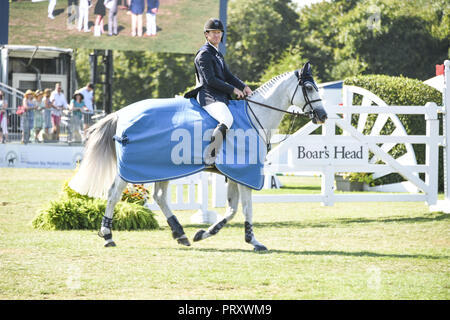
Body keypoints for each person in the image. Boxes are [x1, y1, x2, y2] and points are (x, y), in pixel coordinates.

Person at [184, 18, 253, 165]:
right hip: (208, 95)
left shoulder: (217, 54)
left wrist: (243, 86)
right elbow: (211, 80)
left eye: (219, 32)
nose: (216, 35)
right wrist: (233, 89)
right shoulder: (204, 54)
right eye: (213, 32)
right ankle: (211, 155)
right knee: (227, 119)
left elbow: (228, 76)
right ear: (206, 35)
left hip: (218, 95)